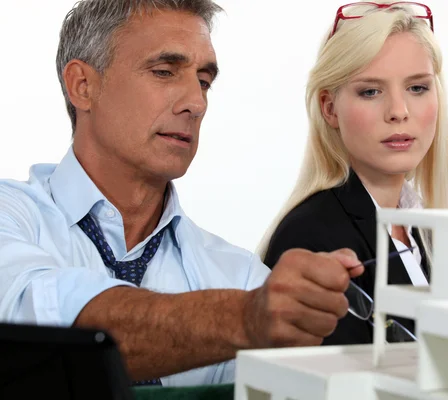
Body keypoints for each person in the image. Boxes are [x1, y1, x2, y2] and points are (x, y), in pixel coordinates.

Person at [0, 0, 365, 387]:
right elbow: (38, 331)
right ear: (83, 85)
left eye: (204, 81)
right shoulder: (12, 219)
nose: (197, 103)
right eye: (163, 72)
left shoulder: (243, 279)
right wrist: (241, 320)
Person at [258, 2, 448, 345]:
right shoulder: (310, 239)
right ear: (329, 108)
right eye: (371, 91)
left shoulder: (422, 230)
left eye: (417, 88)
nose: (398, 111)